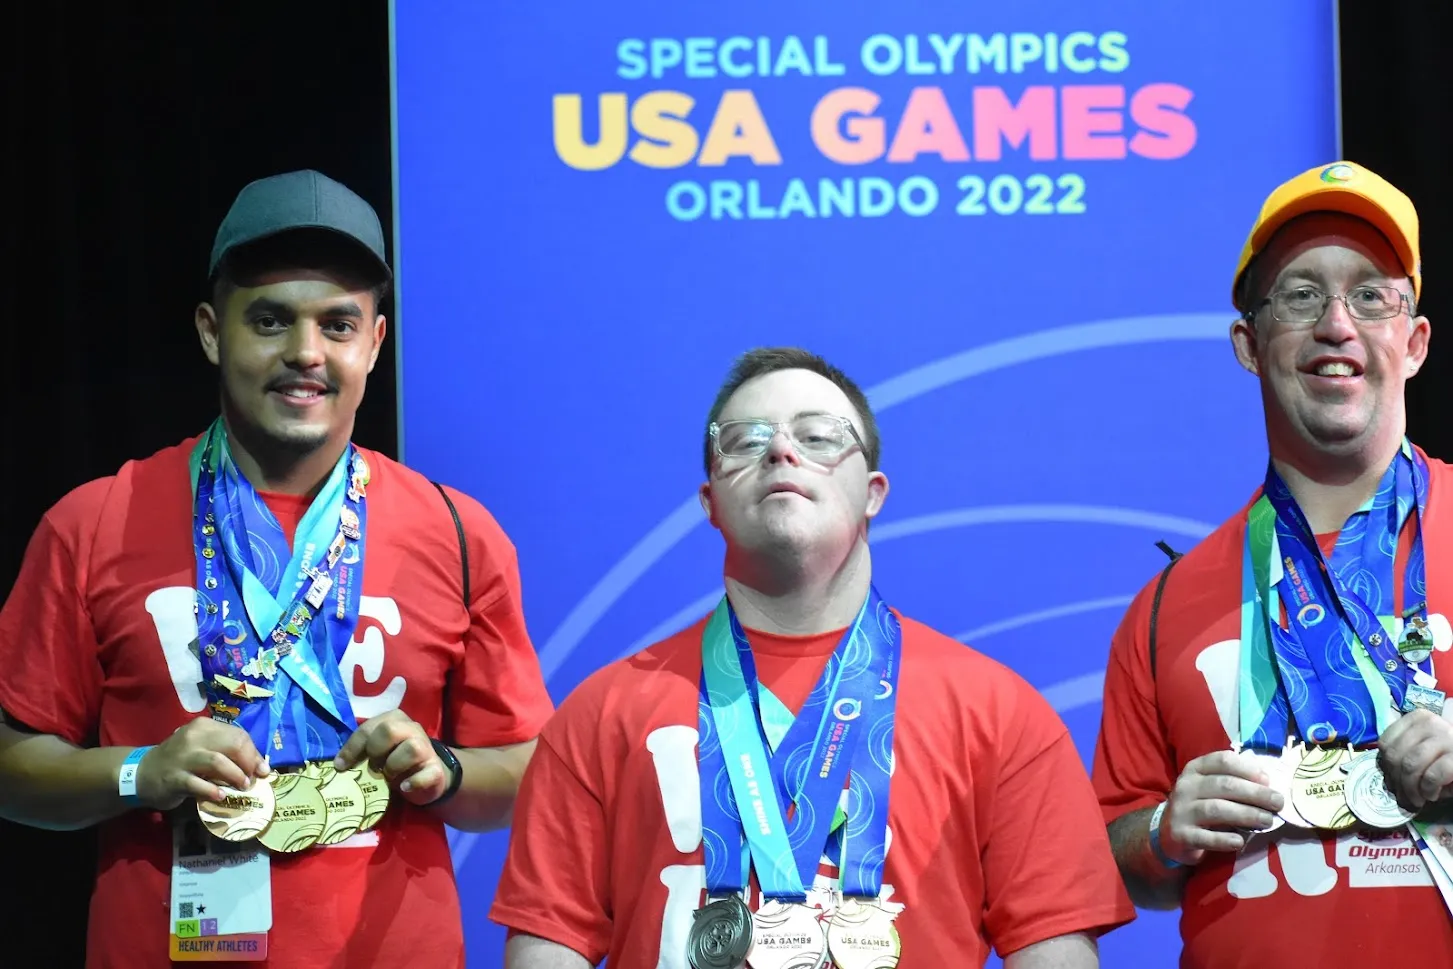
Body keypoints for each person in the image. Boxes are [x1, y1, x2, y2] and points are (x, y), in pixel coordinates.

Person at [0, 169, 554, 968]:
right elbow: (13, 770)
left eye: (337, 324)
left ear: (374, 342)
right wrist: (139, 772)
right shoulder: (93, 522)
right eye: (269, 319)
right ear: (210, 331)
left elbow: (529, 768)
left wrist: (447, 767)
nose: (305, 353)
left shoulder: (460, 533)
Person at [490, 347, 1135, 968]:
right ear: (710, 502)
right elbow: (551, 942)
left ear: (873, 492)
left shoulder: (1000, 714)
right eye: (745, 440)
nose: (780, 450)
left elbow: (1052, 945)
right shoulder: (601, 714)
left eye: (820, 436)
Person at [1093, 160, 1453, 968]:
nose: (1336, 324)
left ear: (1414, 342)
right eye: (1299, 295)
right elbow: (1113, 852)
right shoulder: (1163, 607)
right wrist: (1162, 831)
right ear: (1249, 346)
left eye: (1371, 296)